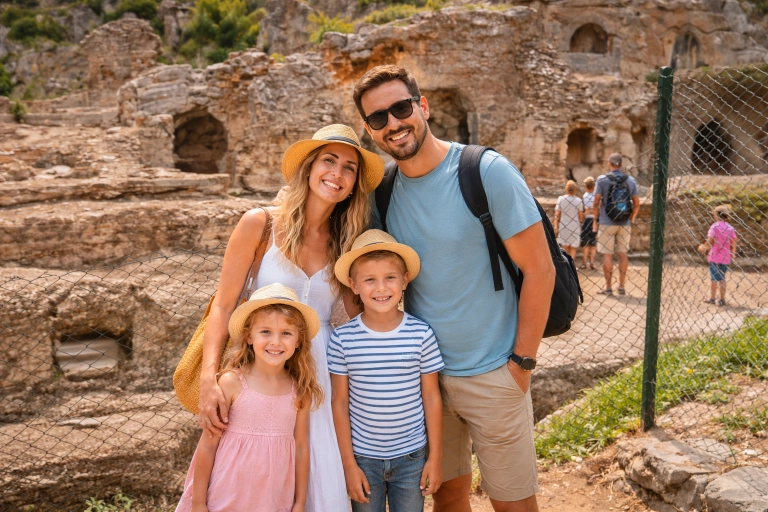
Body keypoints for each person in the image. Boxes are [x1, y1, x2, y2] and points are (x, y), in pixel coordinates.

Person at [354, 65, 555, 512]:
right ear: (369, 131)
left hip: (493, 372)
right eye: (378, 118)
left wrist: (521, 364)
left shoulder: (485, 172)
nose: (393, 124)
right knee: (447, 497)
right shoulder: (383, 192)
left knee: (514, 503)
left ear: (422, 107)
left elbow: (540, 270)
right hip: (424, 380)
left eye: (401, 108)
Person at [196, 124, 385, 511]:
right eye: (328, 160)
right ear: (309, 167)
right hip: (268, 374)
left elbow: (352, 314)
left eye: (349, 167)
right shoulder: (260, 224)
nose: (337, 173)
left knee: (322, 479)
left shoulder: (346, 242)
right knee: (258, 474)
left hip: (326, 377)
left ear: (354, 185)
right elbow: (224, 304)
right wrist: (208, 377)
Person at [176, 283, 323, 512]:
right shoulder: (231, 383)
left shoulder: (300, 389)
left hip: (273, 499)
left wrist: (300, 502)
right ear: (249, 337)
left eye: (286, 333)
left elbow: (301, 447)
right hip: (226, 495)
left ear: (298, 341)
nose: (276, 341)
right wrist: (198, 503)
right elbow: (207, 445)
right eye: (266, 332)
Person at [328, 229, 444, 512]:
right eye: (370, 280)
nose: (381, 288)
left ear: (404, 280)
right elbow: (340, 403)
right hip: (363, 458)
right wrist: (348, 464)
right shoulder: (342, 340)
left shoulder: (421, 334)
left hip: (411, 457)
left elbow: (431, 397)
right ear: (354, 285)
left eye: (390, 277)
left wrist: (435, 458)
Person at [592, 153, 640, 296]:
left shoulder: (602, 180)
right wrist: (632, 217)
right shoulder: (630, 180)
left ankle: (608, 287)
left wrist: (596, 219)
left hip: (606, 222)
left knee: (607, 255)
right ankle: (622, 286)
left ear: (609, 163)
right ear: (621, 165)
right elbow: (636, 202)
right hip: (624, 222)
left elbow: (596, 202)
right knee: (623, 254)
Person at [698, 205, 737, 306]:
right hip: (726, 257)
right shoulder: (730, 228)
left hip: (715, 256)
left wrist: (703, 247)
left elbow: (710, 241)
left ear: (716, 216)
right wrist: (733, 253)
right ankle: (722, 299)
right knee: (722, 278)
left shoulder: (715, 227)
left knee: (714, 278)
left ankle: (712, 298)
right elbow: (733, 242)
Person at [554, 180, 584, 260]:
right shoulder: (578, 201)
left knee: (565, 248)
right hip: (575, 226)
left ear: (566, 188)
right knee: (573, 247)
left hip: (564, 225)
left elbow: (557, 215)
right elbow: (581, 218)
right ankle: (572, 265)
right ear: (575, 189)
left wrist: (556, 225)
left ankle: (566, 266)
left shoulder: (561, 199)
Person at [580, 176, 597, 270]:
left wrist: (587, 211)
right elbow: (596, 208)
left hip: (587, 219)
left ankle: (584, 262)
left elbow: (586, 209)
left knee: (586, 242)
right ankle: (592, 263)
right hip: (595, 219)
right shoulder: (597, 195)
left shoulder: (585, 195)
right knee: (593, 243)